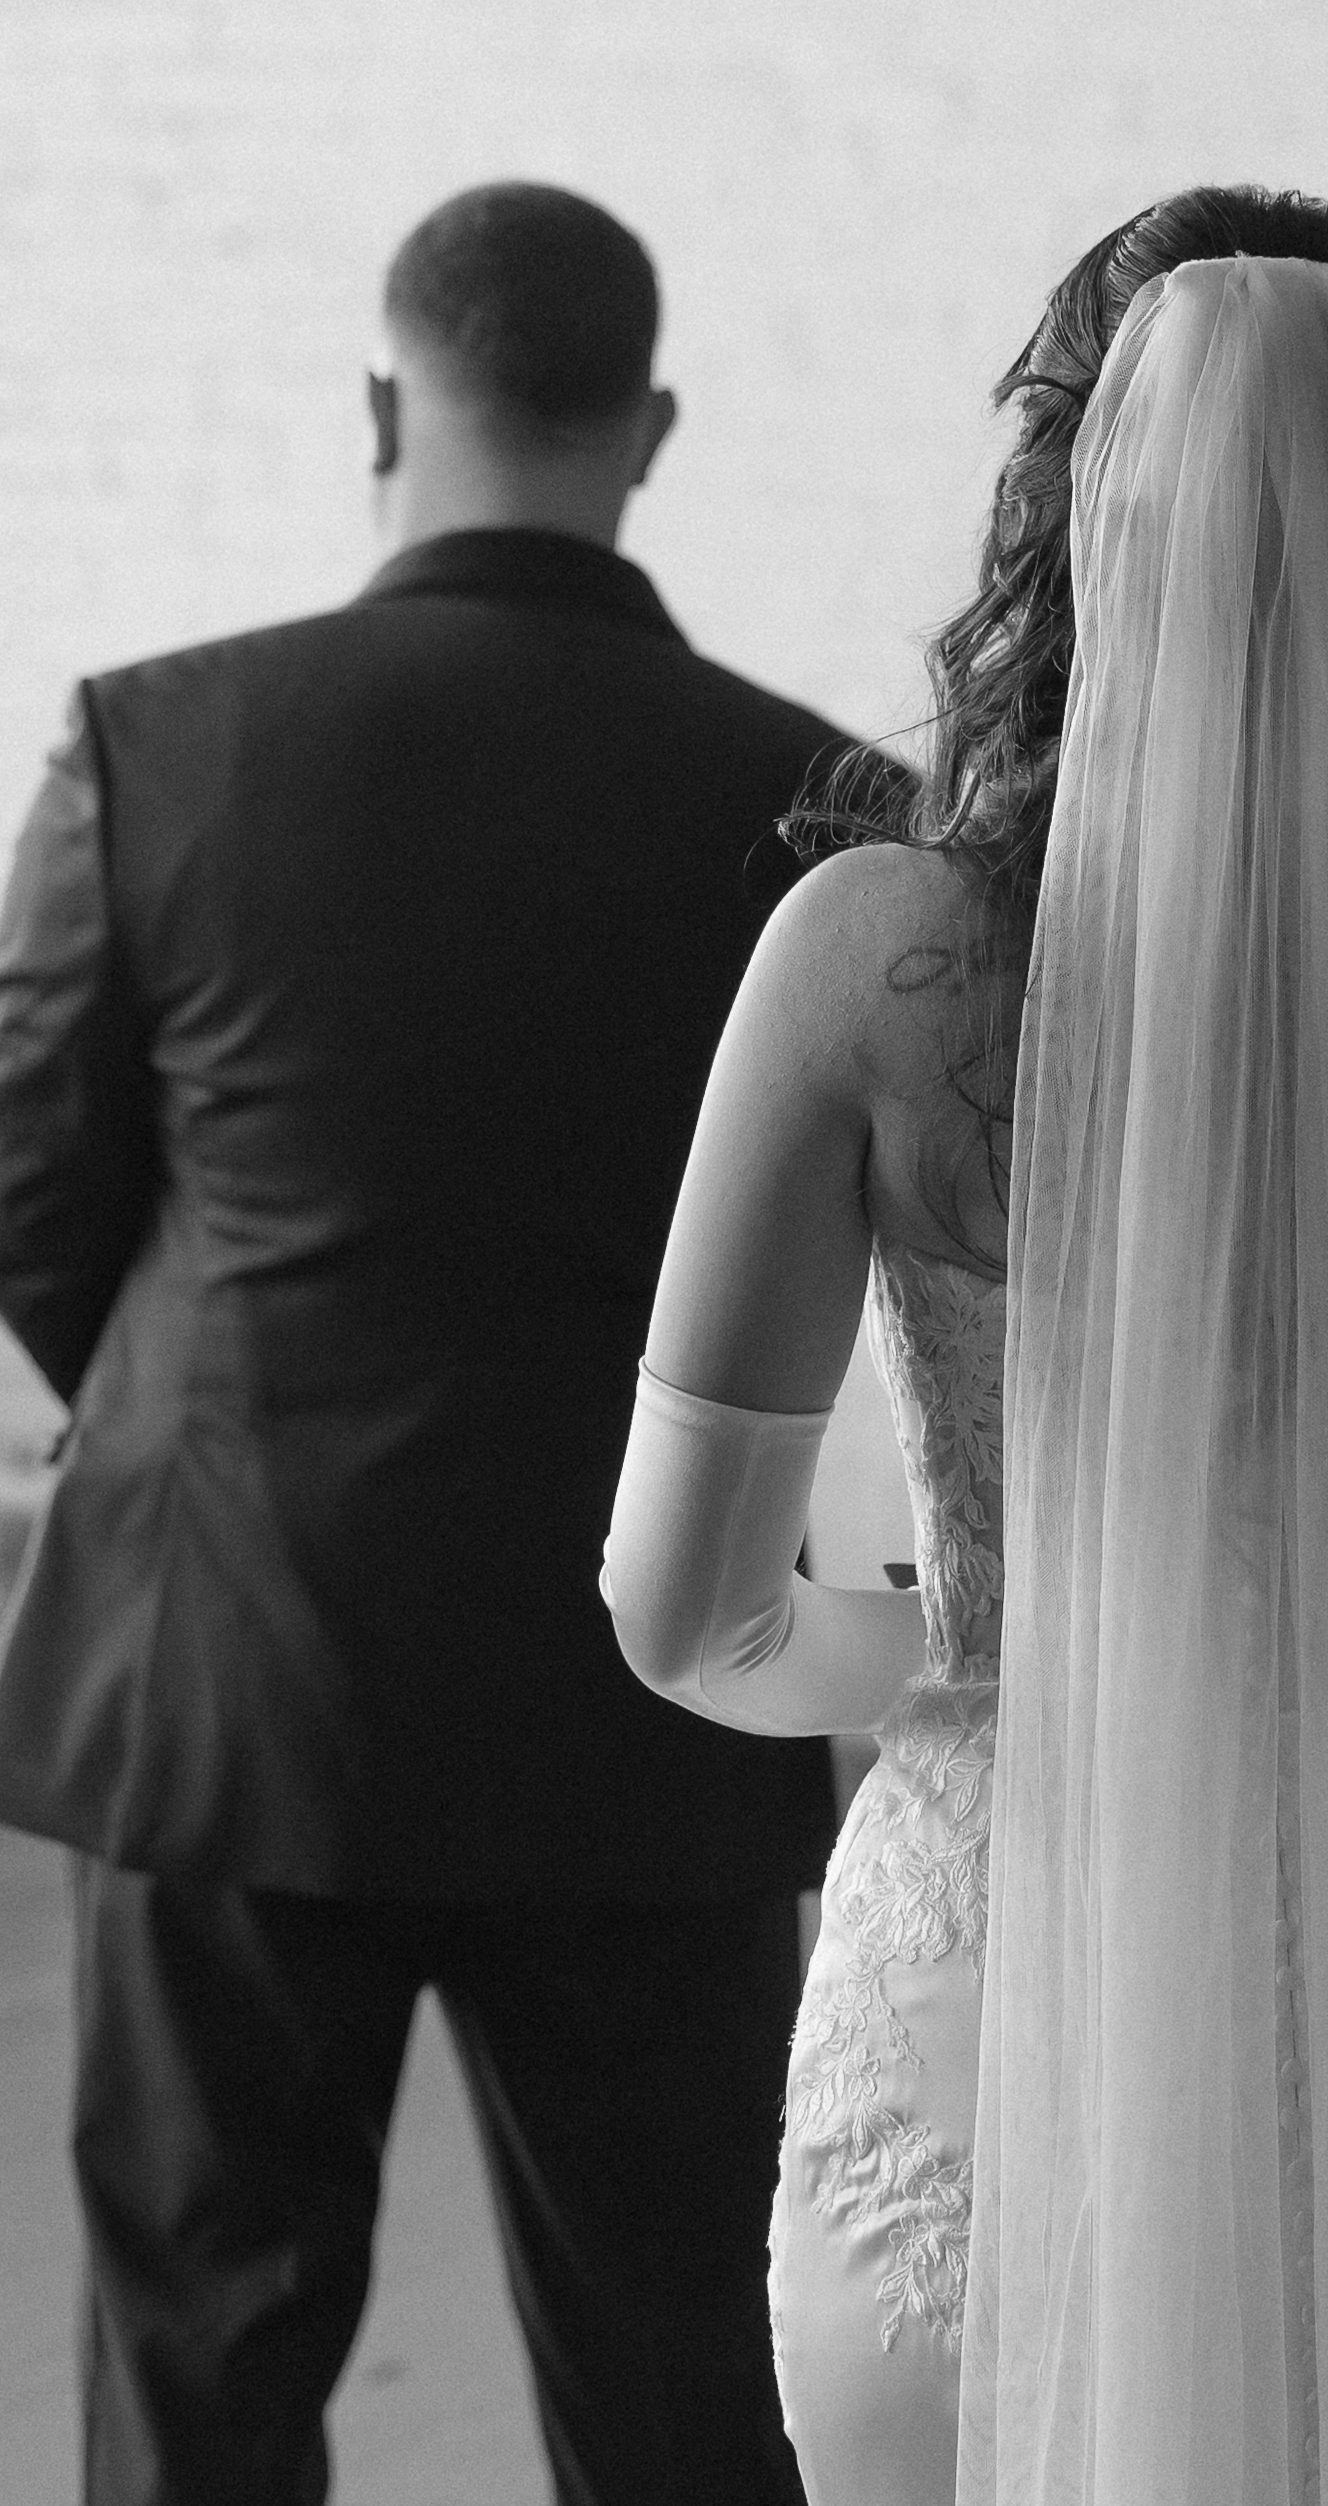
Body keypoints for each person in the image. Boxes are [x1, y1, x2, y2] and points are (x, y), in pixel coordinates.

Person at [604, 185, 1328, 2504]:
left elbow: (674, 1607)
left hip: (990, 2031)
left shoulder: (876, 967)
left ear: (1060, 508)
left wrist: (961, 1652)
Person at [0, 181, 842, 2506]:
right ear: (647, 426)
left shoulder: (156, 743)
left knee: (201, 2382)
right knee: (684, 2384)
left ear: (381, 400)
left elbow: (33, 1202)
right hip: (646, 1708)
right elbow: (828, 1261)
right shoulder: (806, 802)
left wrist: (208, 1428)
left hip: (229, 1684)